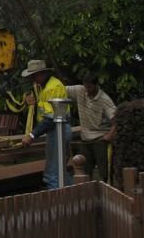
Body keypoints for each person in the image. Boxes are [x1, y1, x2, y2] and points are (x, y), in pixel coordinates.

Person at [20, 59, 73, 189]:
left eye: (34, 76)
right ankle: (74, 196)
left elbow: (51, 118)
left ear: (42, 74)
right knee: (60, 173)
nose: (33, 79)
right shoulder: (44, 86)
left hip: (58, 129)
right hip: (56, 129)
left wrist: (32, 135)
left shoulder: (52, 88)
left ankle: (58, 204)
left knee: (52, 175)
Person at [66, 72, 117, 183]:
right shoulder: (80, 91)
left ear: (96, 85)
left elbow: (116, 120)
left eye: (89, 87)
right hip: (85, 140)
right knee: (85, 171)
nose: (87, 90)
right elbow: (60, 89)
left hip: (100, 140)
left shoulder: (104, 99)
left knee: (104, 172)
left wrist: (109, 135)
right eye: (85, 86)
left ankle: (106, 191)